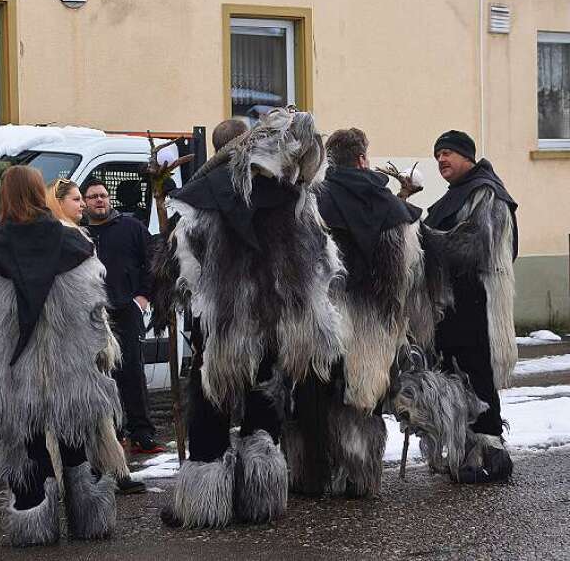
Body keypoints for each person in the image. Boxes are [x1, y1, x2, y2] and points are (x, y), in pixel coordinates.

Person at [156, 108, 345, 527]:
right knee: (264, 404)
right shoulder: (291, 194)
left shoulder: (200, 196)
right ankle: (260, 498)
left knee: (211, 403)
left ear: (217, 149)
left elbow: (178, 269)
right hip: (274, 324)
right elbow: (322, 258)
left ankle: (207, 505)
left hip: (220, 326)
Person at [0, 165, 122, 546]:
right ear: (40, 194)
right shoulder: (75, 244)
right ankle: (89, 521)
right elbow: (93, 310)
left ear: (4, 195)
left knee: (30, 443)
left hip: (17, 369)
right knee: (74, 440)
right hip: (70, 365)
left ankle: (35, 525)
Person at [282, 127, 424, 498]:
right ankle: (359, 476)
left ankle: (313, 474)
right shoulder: (390, 207)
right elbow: (398, 275)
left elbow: (298, 262)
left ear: (330, 161)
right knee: (363, 400)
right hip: (370, 324)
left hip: (323, 318)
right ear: (362, 158)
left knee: (317, 394)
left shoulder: (313, 201)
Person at [423, 130, 518, 483]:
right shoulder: (458, 195)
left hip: (477, 306)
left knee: (477, 377)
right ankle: (467, 455)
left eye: (447, 153)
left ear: (467, 156)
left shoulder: (486, 194)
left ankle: (492, 458)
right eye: (437, 156)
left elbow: (472, 245)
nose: (441, 161)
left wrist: (423, 239)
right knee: (456, 378)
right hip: (453, 308)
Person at [46, 176, 147, 496]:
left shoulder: (76, 236)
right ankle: (86, 476)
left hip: (87, 333)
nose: (84, 205)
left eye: (82, 198)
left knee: (100, 406)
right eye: (76, 199)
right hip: (74, 338)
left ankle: (112, 470)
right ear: (58, 203)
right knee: (79, 410)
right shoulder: (63, 238)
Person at [82, 178, 163, 455]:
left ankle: (142, 433)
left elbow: (153, 260)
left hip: (126, 310)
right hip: (92, 315)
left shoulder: (131, 228)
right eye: (93, 197)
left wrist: (142, 297)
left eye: (103, 195)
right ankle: (112, 434)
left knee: (131, 372)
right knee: (101, 374)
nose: (99, 200)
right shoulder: (79, 233)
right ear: (84, 202)